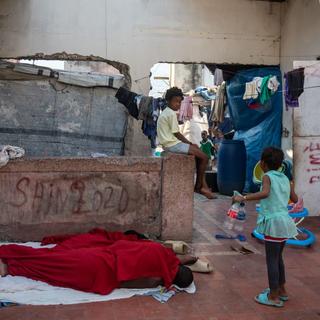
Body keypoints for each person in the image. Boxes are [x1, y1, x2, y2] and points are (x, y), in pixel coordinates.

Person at [0, 229, 193, 295]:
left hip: (98, 257)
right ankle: (10, 268)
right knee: (50, 271)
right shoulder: (155, 278)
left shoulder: (160, 252)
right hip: (95, 274)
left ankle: (9, 259)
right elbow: (124, 282)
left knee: (47, 259)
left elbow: (123, 248)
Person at [233, 147, 298, 308]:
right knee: (278, 258)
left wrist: (244, 197)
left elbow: (265, 193)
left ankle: (273, 295)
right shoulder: (285, 178)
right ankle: (282, 290)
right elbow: (295, 199)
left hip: (273, 223)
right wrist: (289, 188)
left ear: (262, 163)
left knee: (271, 260)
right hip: (285, 222)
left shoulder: (267, 177)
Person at [157, 87, 215, 199]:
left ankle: (204, 187)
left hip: (171, 144)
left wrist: (191, 145)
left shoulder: (166, 112)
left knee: (198, 153)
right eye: (176, 101)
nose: (178, 104)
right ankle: (198, 187)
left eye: (179, 102)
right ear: (168, 101)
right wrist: (189, 143)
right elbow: (177, 134)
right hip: (172, 145)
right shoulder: (170, 114)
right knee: (204, 157)